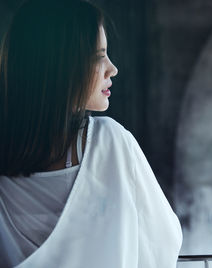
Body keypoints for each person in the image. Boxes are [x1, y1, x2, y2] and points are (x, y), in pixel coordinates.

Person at [0, 0, 182, 267]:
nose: (112, 68)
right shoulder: (110, 143)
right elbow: (162, 242)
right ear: (60, 67)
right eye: (99, 57)